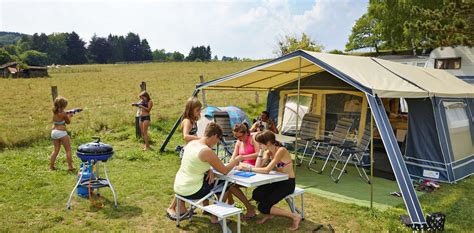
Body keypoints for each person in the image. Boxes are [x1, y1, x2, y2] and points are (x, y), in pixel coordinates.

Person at [173, 123, 245, 224]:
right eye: (218, 139)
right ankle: (215, 217)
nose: (217, 143)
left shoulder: (192, 143)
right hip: (191, 190)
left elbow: (194, 162)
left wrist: (209, 169)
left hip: (179, 186)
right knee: (225, 184)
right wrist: (237, 159)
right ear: (215, 136)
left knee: (214, 181)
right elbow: (224, 170)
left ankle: (209, 210)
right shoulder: (206, 151)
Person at [236, 130, 301, 231]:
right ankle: (269, 213)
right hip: (277, 181)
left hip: (288, 183)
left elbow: (266, 170)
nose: (259, 145)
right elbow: (259, 166)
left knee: (262, 207)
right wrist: (261, 152)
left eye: (260, 144)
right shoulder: (268, 151)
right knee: (257, 194)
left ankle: (295, 216)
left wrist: (248, 168)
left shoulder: (281, 150)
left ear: (268, 143)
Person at [166, 97, 202, 220]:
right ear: (191, 109)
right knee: (185, 182)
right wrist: (201, 139)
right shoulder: (187, 121)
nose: (200, 112)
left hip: (192, 153)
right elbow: (186, 136)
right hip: (187, 154)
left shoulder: (193, 120)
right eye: (198, 110)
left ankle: (182, 208)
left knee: (187, 182)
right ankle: (171, 208)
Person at [226, 122, 259, 219]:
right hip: (242, 168)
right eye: (236, 137)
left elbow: (258, 154)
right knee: (226, 182)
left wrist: (242, 157)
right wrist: (232, 162)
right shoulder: (239, 142)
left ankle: (249, 208)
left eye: (240, 136)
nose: (239, 139)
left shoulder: (253, 138)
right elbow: (233, 157)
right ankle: (230, 204)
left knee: (230, 186)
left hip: (254, 169)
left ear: (246, 133)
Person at [49, 96, 75, 171]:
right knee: (68, 150)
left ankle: (51, 166)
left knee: (56, 150)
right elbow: (68, 122)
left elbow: (60, 117)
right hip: (61, 133)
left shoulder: (54, 112)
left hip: (54, 132)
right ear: (63, 106)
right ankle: (70, 166)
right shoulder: (63, 113)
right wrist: (69, 116)